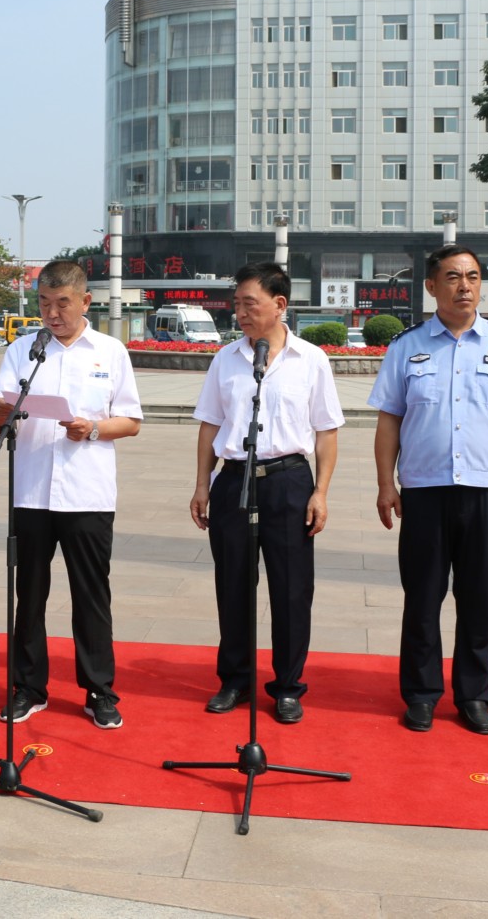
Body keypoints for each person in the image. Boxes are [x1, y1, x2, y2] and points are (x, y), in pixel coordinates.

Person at [368, 246, 488, 735]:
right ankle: (421, 694)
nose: (464, 286)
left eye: (472, 276)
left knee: (480, 599)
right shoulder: (406, 346)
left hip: (487, 491)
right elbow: (389, 420)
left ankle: (474, 695)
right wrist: (385, 484)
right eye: (452, 277)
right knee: (422, 599)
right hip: (424, 490)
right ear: (431, 287)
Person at [0, 260, 143, 729]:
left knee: (91, 595)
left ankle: (99, 691)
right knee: (29, 593)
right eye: (44, 304)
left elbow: (131, 421)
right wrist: (3, 414)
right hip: (31, 491)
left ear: (85, 301)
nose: (52, 314)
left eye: (62, 304)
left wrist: (92, 428)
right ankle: (28, 688)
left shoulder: (110, 352)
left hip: (87, 494)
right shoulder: (24, 350)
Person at [189, 262, 343, 724]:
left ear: (279, 305)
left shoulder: (311, 359)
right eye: (236, 304)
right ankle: (235, 680)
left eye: (249, 304)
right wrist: (202, 484)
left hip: (289, 481)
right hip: (234, 478)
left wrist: (321, 492)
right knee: (233, 584)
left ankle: (288, 687)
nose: (240, 313)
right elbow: (209, 425)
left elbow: (326, 432)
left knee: (292, 589)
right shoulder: (226, 359)